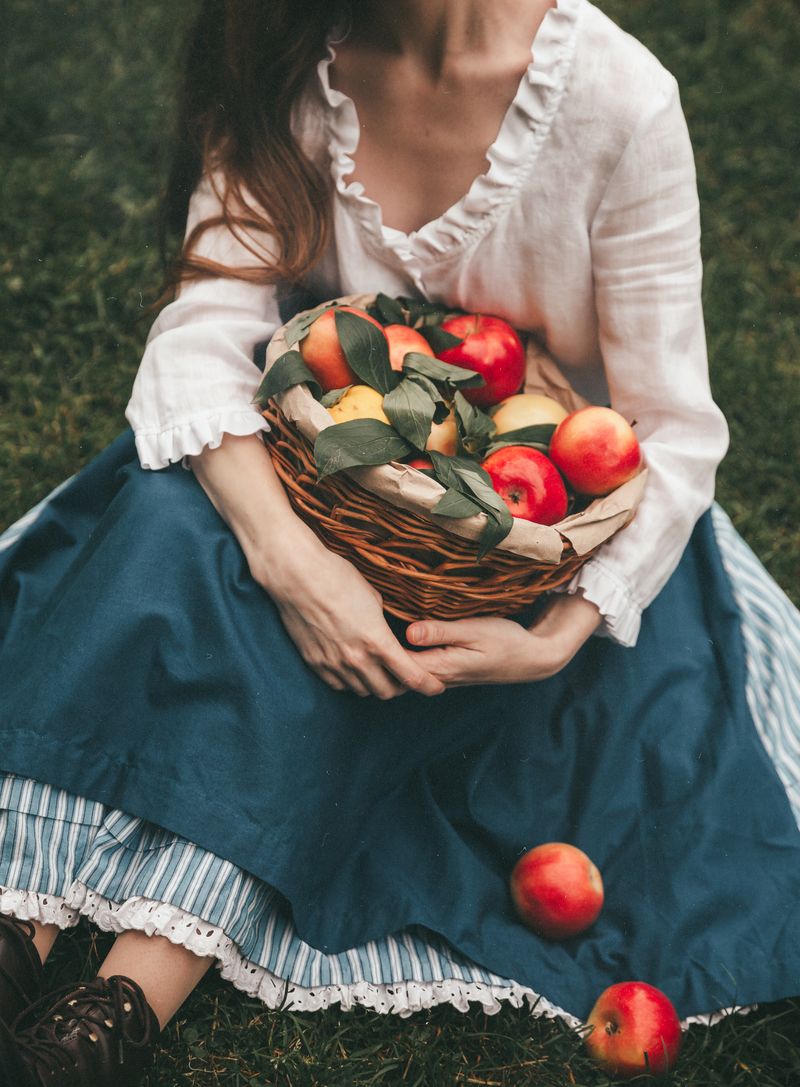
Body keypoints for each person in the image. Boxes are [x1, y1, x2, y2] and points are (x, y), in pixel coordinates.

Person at [1, 0, 799, 1083]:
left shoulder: (618, 103)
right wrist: (290, 560)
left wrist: (554, 642)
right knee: (165, 533)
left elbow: (670, 436)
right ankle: (17, 918)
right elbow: (207, 321)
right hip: (321, 459)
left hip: (523, 535)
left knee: (381, 660)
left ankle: (131, 993)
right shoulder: (289, 47)